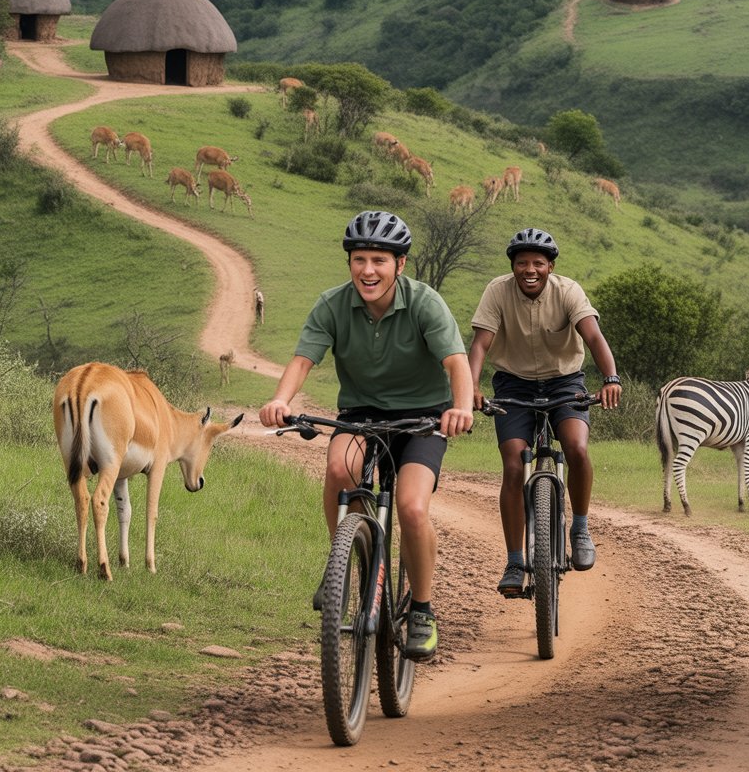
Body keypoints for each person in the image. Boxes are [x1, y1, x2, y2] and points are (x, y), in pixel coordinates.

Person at [259, 210, 474, 661]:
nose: (368, 270)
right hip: (361, 414)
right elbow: (302, 361)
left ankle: (421, 609)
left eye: (379, 259)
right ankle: (347, 559)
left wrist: (461, 407)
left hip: (424, 418)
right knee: (339, 468)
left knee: (413, 508)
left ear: (401, 264)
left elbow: (456, 362)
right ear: (350, 262)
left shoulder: (425, 303)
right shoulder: (332, 305)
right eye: (359, 259)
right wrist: (280, 400)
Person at [468, 227, 621, 598]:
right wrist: (469, 388)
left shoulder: (568, 291)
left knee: (576, 447)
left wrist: (611, 377)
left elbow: (594, 337)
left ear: (550, 266)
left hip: (564, 382)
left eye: (538, 263)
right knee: (513, 463)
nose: (529, 270)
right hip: (514, 383)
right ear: (513, 267)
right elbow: (480, 344)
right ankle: (515, 560)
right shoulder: (497, 290)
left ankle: (580, 527)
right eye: (522, 263)